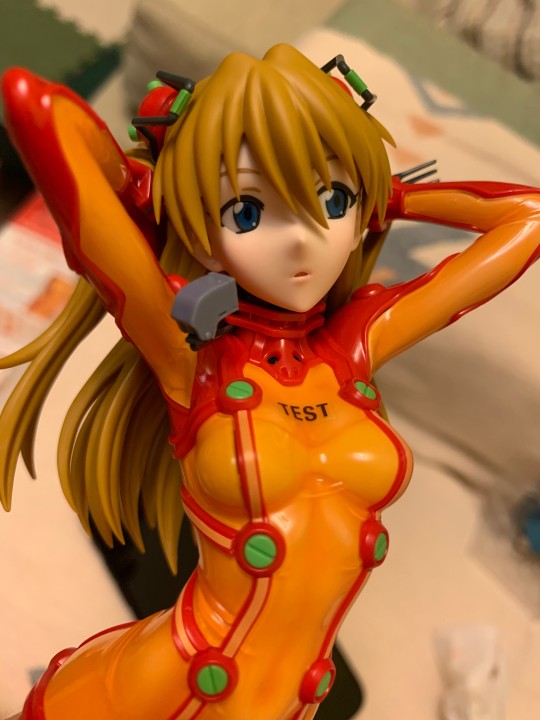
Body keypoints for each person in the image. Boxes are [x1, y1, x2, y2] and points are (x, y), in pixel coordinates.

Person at [1, 43, 539, 720]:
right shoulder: (190, 354)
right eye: (249, 212)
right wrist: (153, 189)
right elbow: (38, 110)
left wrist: (390, 194)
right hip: (149, 692)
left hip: (292, 702)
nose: (303, 238)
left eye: (332, 199)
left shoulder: (353, 345)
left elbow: (526, 219)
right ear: (202, 236)